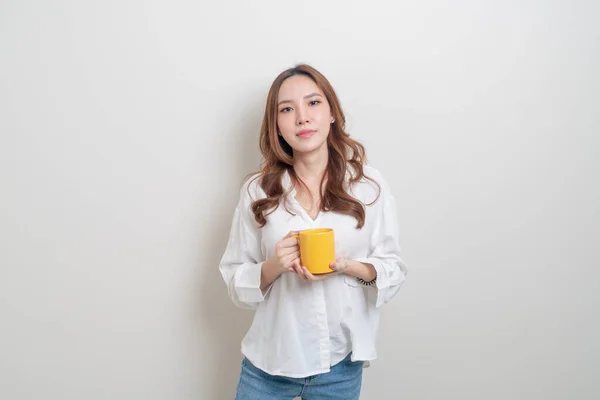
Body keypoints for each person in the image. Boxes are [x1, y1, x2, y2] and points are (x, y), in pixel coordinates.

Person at [219, 64, 408, 400]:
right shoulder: (257, 190)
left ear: (332, 112)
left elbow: (392, 268)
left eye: (313, 103)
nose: (302, 118)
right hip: (269, 364)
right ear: (276, 124)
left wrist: (348, 267)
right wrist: (275, 264)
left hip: (339, 365)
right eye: (287, 109)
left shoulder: (368, 185)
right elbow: (235, 281)